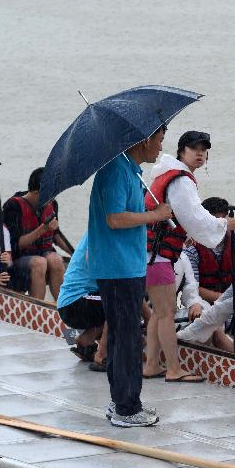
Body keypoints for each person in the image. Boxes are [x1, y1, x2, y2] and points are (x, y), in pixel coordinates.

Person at [86, 124, 173, 427]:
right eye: (159, 140)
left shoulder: (132, 171)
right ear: (145, 139)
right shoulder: (115, 171)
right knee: (126, 337)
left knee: (125, 334)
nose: (161, 148)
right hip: (117, 268)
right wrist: (155, 216)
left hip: (129, 265)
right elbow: (115, 218)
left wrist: (154, 214)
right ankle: (126, 408)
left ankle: (123, 401)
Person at [142, 131, 234, 382]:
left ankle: (151, 365)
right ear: (182, 150)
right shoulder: (181, 180)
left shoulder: (164, 172)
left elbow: (183, 217)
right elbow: (195, 216)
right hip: (158, 256)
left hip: (152, 253)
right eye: (195, 148)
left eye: (204, 149)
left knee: (160, 313)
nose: (201, 153)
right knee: (167, 313)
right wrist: (224, 224)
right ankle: (173, 369)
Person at [3, 167, 71, 299]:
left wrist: (74, 254)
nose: (53, 198)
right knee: (40, 263)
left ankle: (63, 308)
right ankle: (37, 307)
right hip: (19, 257)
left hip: (44, 251)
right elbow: (15, 244)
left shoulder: (52, 204)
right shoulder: (13, 207)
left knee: (56, 260)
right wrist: (42, 229)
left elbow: (56, 235)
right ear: (36, 192)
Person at [182, 197, 235, 304]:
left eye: (221, 223)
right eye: (214, 223)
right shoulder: (192, 248)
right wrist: (226, 299)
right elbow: (192, 288)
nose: (218, 227)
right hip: (206, 304)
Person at [56, 233, 107, 371]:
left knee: (118, 298)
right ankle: (102, 355)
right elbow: (91, 259)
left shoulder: (96, 229)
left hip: (67, 304)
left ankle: (85, 341)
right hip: (75, 304)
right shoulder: (101, 233)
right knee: (119, 302)